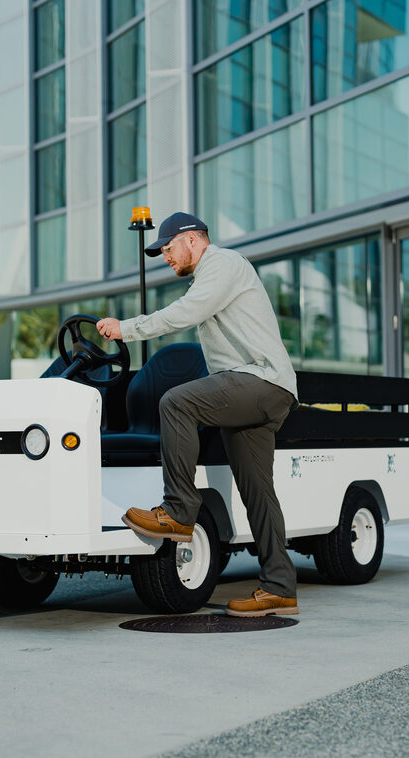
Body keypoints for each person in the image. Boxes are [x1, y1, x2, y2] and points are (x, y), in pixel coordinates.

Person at [96, 211, 300, 617]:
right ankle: (280, 587)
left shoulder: (222, 264)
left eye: (168, 249)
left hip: (260, 380)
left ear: (191, 239)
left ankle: (178, 512)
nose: (165, 257)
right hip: (257, 387)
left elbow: (186, 312)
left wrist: (127, 328)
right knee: (258, 494)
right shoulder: (210, 275)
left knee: (176, 401)